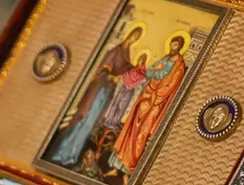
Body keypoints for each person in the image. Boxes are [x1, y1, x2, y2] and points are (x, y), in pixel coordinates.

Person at [48, 27, 141, 168]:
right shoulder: (116, 50)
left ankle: (72, 155)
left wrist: (121, 74)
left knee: (90, 123)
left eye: (136, 38)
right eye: (133, 35)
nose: (133, 39)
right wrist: (111, 76)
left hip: (107, 90)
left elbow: (123, 69)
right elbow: (105, 67)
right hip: (99, 89)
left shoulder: (126, 54)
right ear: (130, 34)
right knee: (84, 119)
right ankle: (62, 152)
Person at [114, 34, 189, 174]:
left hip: (156, 102)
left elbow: (171, 86)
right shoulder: (165, 59)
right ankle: (122, 161)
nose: (172, 47)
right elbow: (149, 72)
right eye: (172, 44)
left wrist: (155, 95)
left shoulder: (179, 66)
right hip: (146, 96)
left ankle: (132, 163)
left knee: (143, 132)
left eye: (175, 45)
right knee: (133, 127)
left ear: (180, 47)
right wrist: (156, 70)